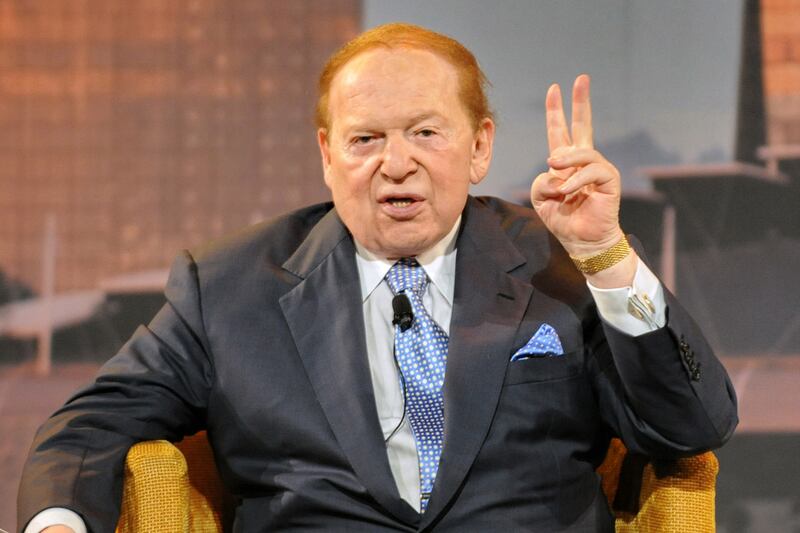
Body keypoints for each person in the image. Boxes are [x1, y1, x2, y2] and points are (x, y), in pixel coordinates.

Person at [18, 23, 737, 532]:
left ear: (480, 146)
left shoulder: (561, 262)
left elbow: (690, 427)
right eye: (365, 139)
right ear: (327, 154)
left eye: (425, 132)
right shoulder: (231, 287)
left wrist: (605, 253)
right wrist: (57, 524)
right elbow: (94, 421)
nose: (396, 164)